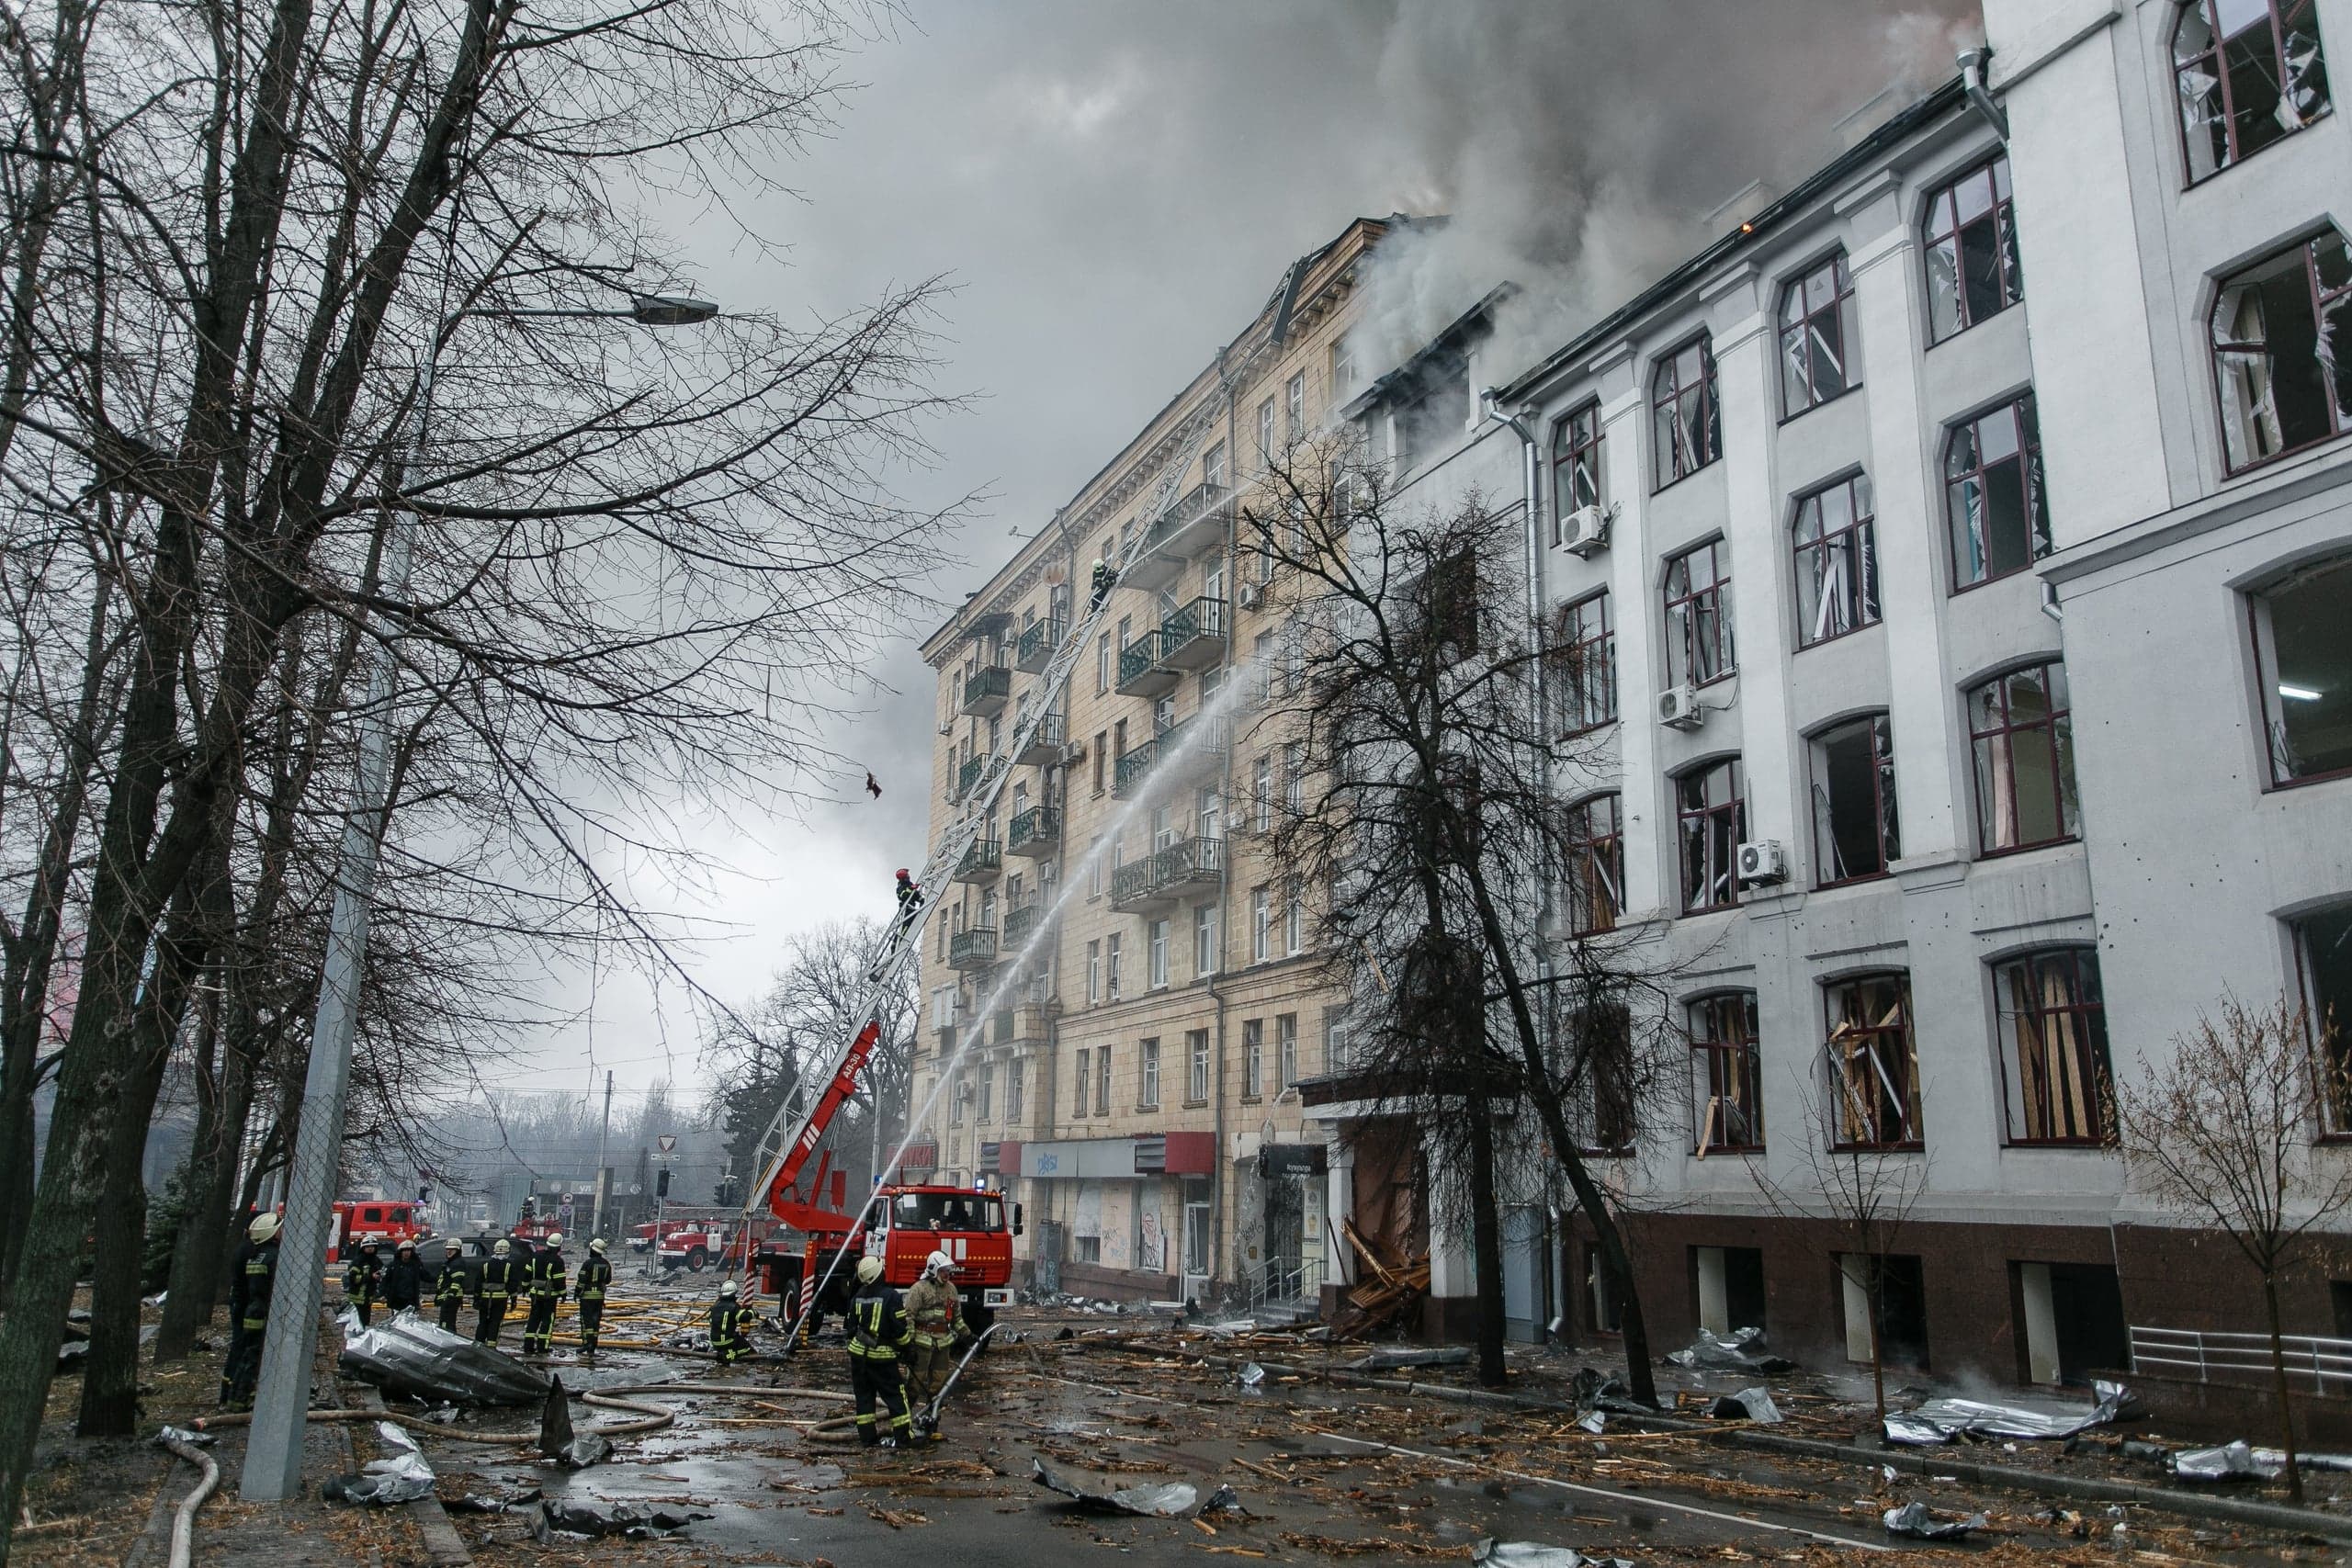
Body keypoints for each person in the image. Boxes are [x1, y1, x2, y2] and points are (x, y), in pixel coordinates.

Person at [847, 1256, 912, 1449]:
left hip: (858, 1357)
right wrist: (908, 1350)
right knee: (896, 1396)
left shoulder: (857, 1296)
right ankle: (903, 1438)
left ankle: (867, 1439)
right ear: (878, 1273)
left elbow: (851, 1328)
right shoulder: (891, 1296)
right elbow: (899, 1330)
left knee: (865, 1398)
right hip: (882, 1358)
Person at [219, 1212, 280, 1410]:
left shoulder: (252, 1251)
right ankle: (235, 1397)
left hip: (249, 1309)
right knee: (246, 1352)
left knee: (246, 1351)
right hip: (252, 1309)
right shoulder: (264, 1255)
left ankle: (234, 1395)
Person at [901, 1250, 963, 1441]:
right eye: (944, 1270)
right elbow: (908, 1317)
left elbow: (957, 1318)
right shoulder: (918, 1289)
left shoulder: (951, 1289)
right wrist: (908, 1345)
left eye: (949, 1270)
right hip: (921, 1343)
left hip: (942, 1344)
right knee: (914, 1385)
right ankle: (903, 1423)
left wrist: (968, 1335)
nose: (948, 1274)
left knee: (938, 1385)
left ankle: (931, 1421)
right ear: (933, 1269)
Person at [523, 1230, 567, 1354]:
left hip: (535, 1294)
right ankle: (543, 1347)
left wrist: (525, 1287)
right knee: (547, 1320)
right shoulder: (558, 1261)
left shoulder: (536, 1256)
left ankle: (528, 1346)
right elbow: (559, 1281)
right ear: (559, 1246)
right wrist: (563, 1294)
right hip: (549, 1296)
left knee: (533, 1319)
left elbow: (527, 1274)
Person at [575, 1237, 614, 1357]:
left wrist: (576, 1292)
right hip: (599, 1297)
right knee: (596, 1321)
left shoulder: (587, 1263)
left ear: (593, 1249)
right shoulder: (606, 1264)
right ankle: (593, 1345)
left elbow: (581, 1280)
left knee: (586, 1321)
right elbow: (608, 1281)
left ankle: (587, 1343)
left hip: (587, 1296)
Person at [476, 1238, 518, 1345]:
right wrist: (514, 1300)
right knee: (495, 1323)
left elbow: (478, 1283)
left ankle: (478, 1344)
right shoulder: (509, 1266)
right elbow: (513, 1285)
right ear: (507, 1251)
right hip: (500, 1300)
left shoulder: (486, 1265)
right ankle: (491, 1346)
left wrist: (476, 1299)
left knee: (483, 1322)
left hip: (485, 1299)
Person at [709, 1279, 752, 1366]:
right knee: (747, 1349)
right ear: (734, 1294)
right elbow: (744, 1317)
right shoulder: (734, 1307)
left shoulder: (714, 1306)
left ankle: (725, 1353)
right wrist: (753, 1312)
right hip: (728, 1341)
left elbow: (711, 1321)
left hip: (714, 1342)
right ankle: (729, 1355)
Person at [343, 1237, 383, 1329]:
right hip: (356, 1299)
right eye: (368, 1247)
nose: (370, 1248)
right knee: (356, 1323)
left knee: (365, 1323)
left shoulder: (376, 1260)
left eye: (372, 1246)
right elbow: (353, 1278)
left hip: (368, 1299)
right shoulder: (358, 1261)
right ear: (363, 1248)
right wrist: (370, 1277)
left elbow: (382, 1272)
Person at [434, 1240, 468, 1334]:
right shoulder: (451, 1262)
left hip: (452, 1297)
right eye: (448, 1249)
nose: (449, 1251)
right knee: (446, 1322)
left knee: (447, 1323)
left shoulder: (458, 1263)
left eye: (452, 1250)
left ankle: (448, 1343)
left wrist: (451, 1295)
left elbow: (457, 1280)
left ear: (458, 1251)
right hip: (448, 1297)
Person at [382, 1239, 424, 1315]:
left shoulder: (416, 1266)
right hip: (396, 1301)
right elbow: (385, 1280)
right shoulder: (393, 1266)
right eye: (404, 1251)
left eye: (408, 1251)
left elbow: (425, 1276)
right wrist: (384, 1294)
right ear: (400, 1252)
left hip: (411, 1300)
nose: (406, 1253)